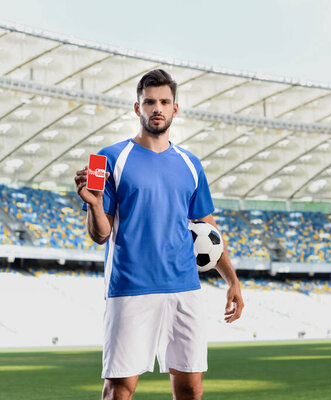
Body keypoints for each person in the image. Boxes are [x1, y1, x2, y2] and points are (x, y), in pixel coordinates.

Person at [74, 69, 244, 400]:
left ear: (175, 109)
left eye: (164, 102)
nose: (157, 108)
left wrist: (232, 280)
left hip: (185, 288)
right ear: (137, 108)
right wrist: (94, 205)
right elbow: (100, 235)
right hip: (130, 288)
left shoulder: (190, 163)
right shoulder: (110, 159)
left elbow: (208, 231)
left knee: (191, 387)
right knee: (119, 389)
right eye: (149, 102)